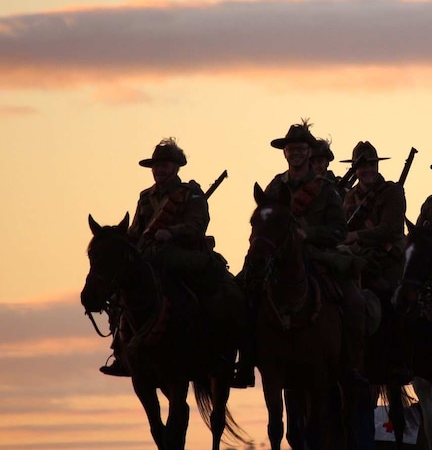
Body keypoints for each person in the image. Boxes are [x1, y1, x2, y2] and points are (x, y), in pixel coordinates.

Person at [237, 120, 367, 387]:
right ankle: (246, 363)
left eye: (300, 148)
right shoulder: (275, 186)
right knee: (242, 294)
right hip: (278, 259)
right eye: (290, 148)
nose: (294, 153)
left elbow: (338, 230)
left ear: (309, 151)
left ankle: (351, 365)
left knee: (353, 301)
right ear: (285, 153)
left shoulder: (326, 189)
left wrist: (309, 235)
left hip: (317, 256)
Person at [100, 137, 211, 377]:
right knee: (119, 292)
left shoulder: (191, 194)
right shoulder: (145, 196)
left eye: (165, 165)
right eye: (156, 166)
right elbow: (136, 231)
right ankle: (121, 350)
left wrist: (170, 232)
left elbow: (197, 225)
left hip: (184, 254)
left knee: (220, 293)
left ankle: (215, 347)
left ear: (176, 167)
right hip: (149, 256)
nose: (160, 170)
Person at [341, 141, 411, 384]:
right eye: (361, 166)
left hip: (385, 260)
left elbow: (391, 228)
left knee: (389, 299)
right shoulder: (349, 196)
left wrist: (357, 236)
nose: (367, 170)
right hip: (356, 257)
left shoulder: (391, 192)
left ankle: (397, 360)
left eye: (370, 165)